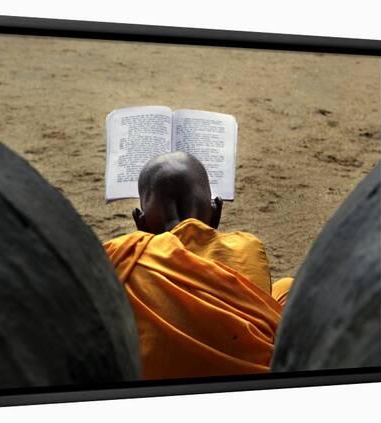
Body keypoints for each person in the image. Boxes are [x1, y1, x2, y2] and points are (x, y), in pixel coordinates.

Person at [103, 151, 293, 380]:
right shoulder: (247, 248)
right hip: (245, 380)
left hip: (155, 386)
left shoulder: (121, 255)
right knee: (288, 288)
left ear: (139, 222)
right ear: (216, 212)